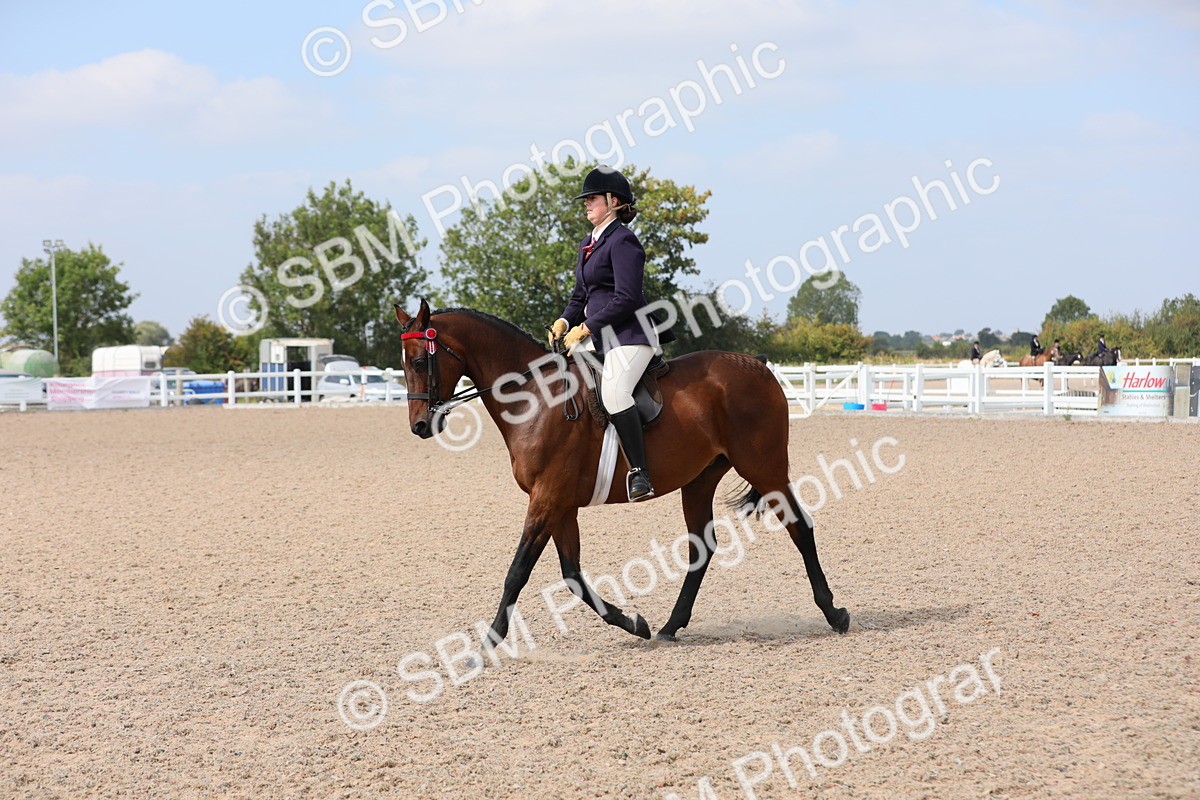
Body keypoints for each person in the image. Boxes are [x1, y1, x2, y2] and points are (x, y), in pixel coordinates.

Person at [548, 166, 674, 502]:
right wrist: (564, 321)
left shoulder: (624, 241)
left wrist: (586, 327)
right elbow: (580, 297)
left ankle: (640, 474)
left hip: (631, 336)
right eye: (585, 199)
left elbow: (627, 298)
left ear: (613, 201)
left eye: (592, 198)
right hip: (598, 337)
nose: (586, 204)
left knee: (616, 393)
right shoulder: (587, 244)